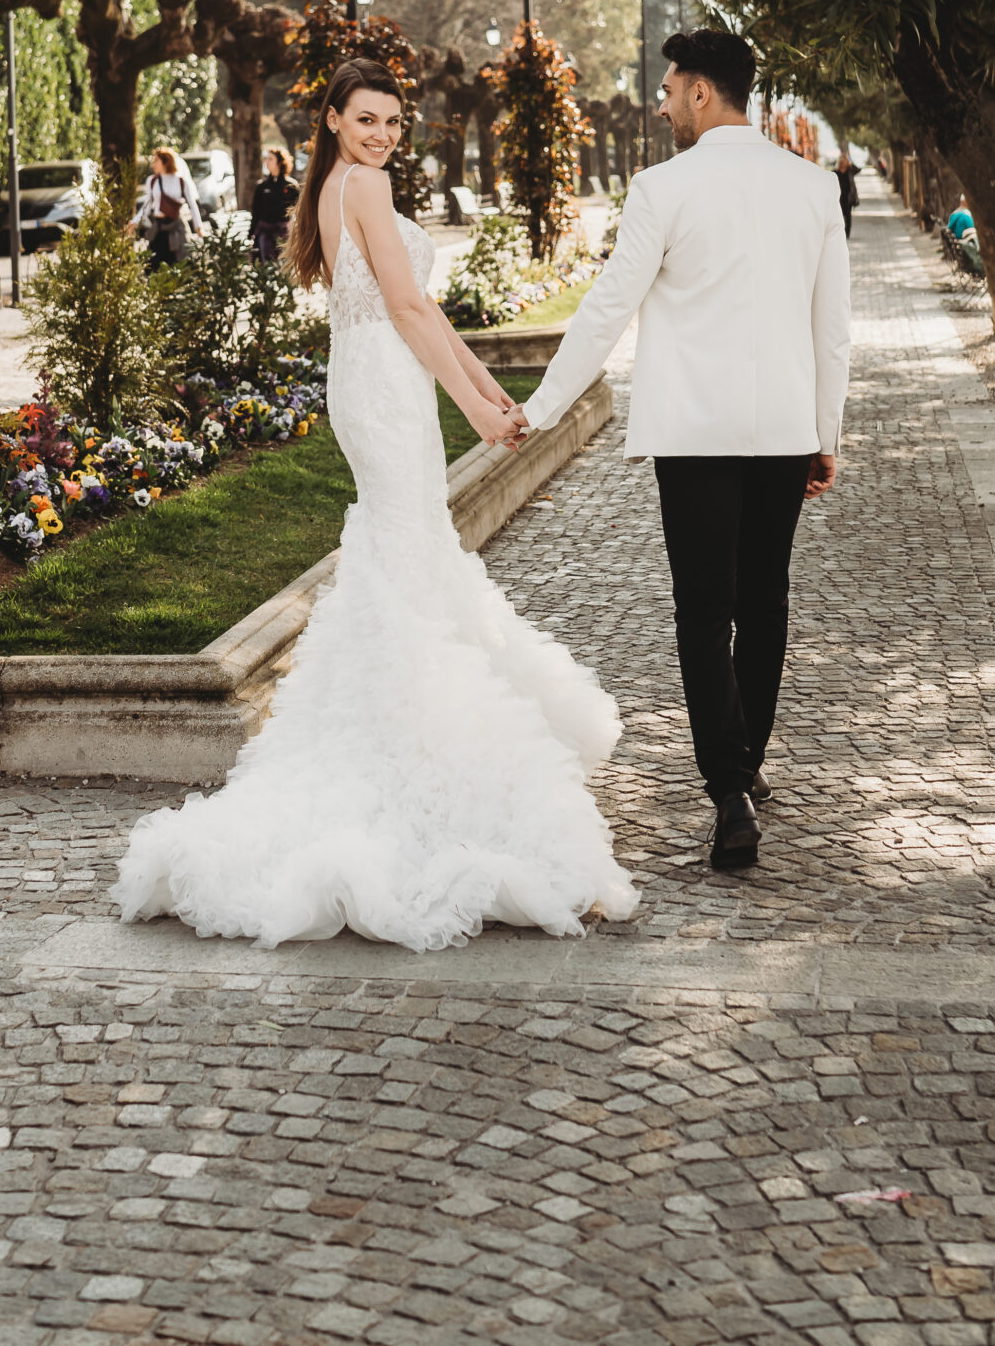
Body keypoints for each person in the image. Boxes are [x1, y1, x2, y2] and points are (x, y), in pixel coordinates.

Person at [115, 57, 638, 951]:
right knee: (404, 541)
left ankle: (397, 725)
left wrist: (481, 388)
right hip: (383, 383)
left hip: (375, 378)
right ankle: (417, 747)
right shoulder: (360, 184)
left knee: (408, 546)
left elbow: (421, 310)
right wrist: (478, 405)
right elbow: (405, 304)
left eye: (393, 122)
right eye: (366, 119)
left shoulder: (339, 185)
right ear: (331, 120)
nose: (382, 134)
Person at [522, 27, 851, 877]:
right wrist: (826, 434)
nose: (663, 103)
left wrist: (542, 407)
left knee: (704, 611)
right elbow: (832, 331)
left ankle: (729, 788)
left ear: (702, 91)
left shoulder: (660, 188)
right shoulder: (813, 188)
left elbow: (606, 309)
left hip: (694, 437)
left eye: (669, 89)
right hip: (783, 430)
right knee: (765, 599)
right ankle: (745, 768)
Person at [130, 146, 201, 266]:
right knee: (155, 266)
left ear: (165, 161)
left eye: (156, 160)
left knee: (180, 263)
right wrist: (134, 222)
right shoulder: (152, 181)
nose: (153, 164)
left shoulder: (181, 181)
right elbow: (147, 207)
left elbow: (192, 205)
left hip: (176, 228)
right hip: (159, 229)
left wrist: (198, 227)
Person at [249, 147, 298, 262]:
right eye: (266, 159)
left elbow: (298, 210)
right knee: (267, 264)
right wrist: (251, 234)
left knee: (285, 263)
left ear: (280, 162)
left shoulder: (291, 185)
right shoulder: (261, 187)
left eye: (271, 159)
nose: (267, 162)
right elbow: (256, 212)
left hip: (285, 233)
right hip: (265, 233)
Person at [835, 146, 860, 239]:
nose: (843, 164)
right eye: (842, 162)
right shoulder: (836, 172)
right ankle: (841, 233)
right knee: (840, 217)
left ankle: (847, 233)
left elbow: (858, 169)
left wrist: (849, 159)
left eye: (845, 162)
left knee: (848, 216)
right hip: (839, 198)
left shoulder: (850, 171)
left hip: (848, 197)